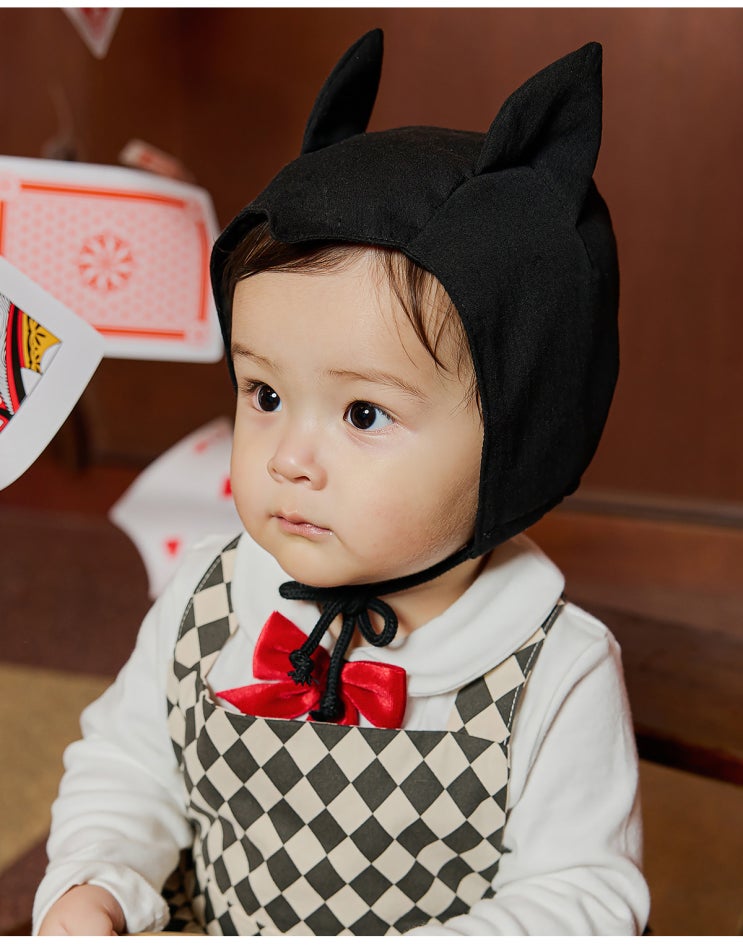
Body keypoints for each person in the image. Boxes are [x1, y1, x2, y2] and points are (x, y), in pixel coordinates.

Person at [34, 30, 650, 935]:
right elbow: (128, 771)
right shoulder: (207, 599)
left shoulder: (552, 669)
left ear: (521, 439)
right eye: (265, 395)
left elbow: (579, 898)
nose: (288, 457)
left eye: (363, 414)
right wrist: (94, 884)